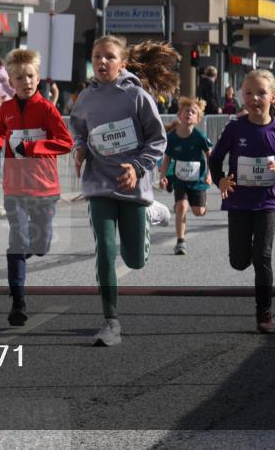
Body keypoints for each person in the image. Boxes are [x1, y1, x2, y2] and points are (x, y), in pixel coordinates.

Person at [69, 36, 168, 347]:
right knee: (105, 250)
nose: (102, 62)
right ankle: (111, 320)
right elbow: (79, 131)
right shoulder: (85, 98)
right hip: (99, 184)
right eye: (97, 56)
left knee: (135, 259)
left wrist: (137, 168)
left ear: (122, 63)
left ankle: (150, 213)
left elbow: (158, 140)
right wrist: (80, 149)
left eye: (109, 57)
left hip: (132, 186)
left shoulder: (137, 96)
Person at [209, 69, 275, 334]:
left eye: (261, 93)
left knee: (263, 256)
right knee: (240, 261)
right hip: (239, 202)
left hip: (267, 202)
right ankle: (247, 257)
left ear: (272, 96)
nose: (254, 98)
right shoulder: (234, 127)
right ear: (242, 96)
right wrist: (220, 180)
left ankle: (264, 312)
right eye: (248, 93)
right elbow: (215, 159)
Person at [0, 48, 74, 326]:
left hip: (44, 188)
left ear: (38, 78)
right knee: (18, 242)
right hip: (14, 187)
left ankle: (18, 264)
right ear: (10, 81)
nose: (26, 82)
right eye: (20, 77)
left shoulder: (46, 109)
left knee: (41, 245)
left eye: (30, 76)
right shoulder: (6, 109)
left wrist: (33, 147)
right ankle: (18, 300)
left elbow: (66, 142)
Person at [159, 98, 213, 256]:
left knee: (198, 211)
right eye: (186, 111)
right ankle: (180, 242)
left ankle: (202, 205)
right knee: (182, 206)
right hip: (180, 179)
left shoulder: (200, 137)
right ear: (180, 115)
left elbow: (210, 156)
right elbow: (167, 159)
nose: (189, 113)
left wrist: (209, 174)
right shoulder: (172, 138)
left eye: (193, 112)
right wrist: (163, 176)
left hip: (198, 180)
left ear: (197, 119)